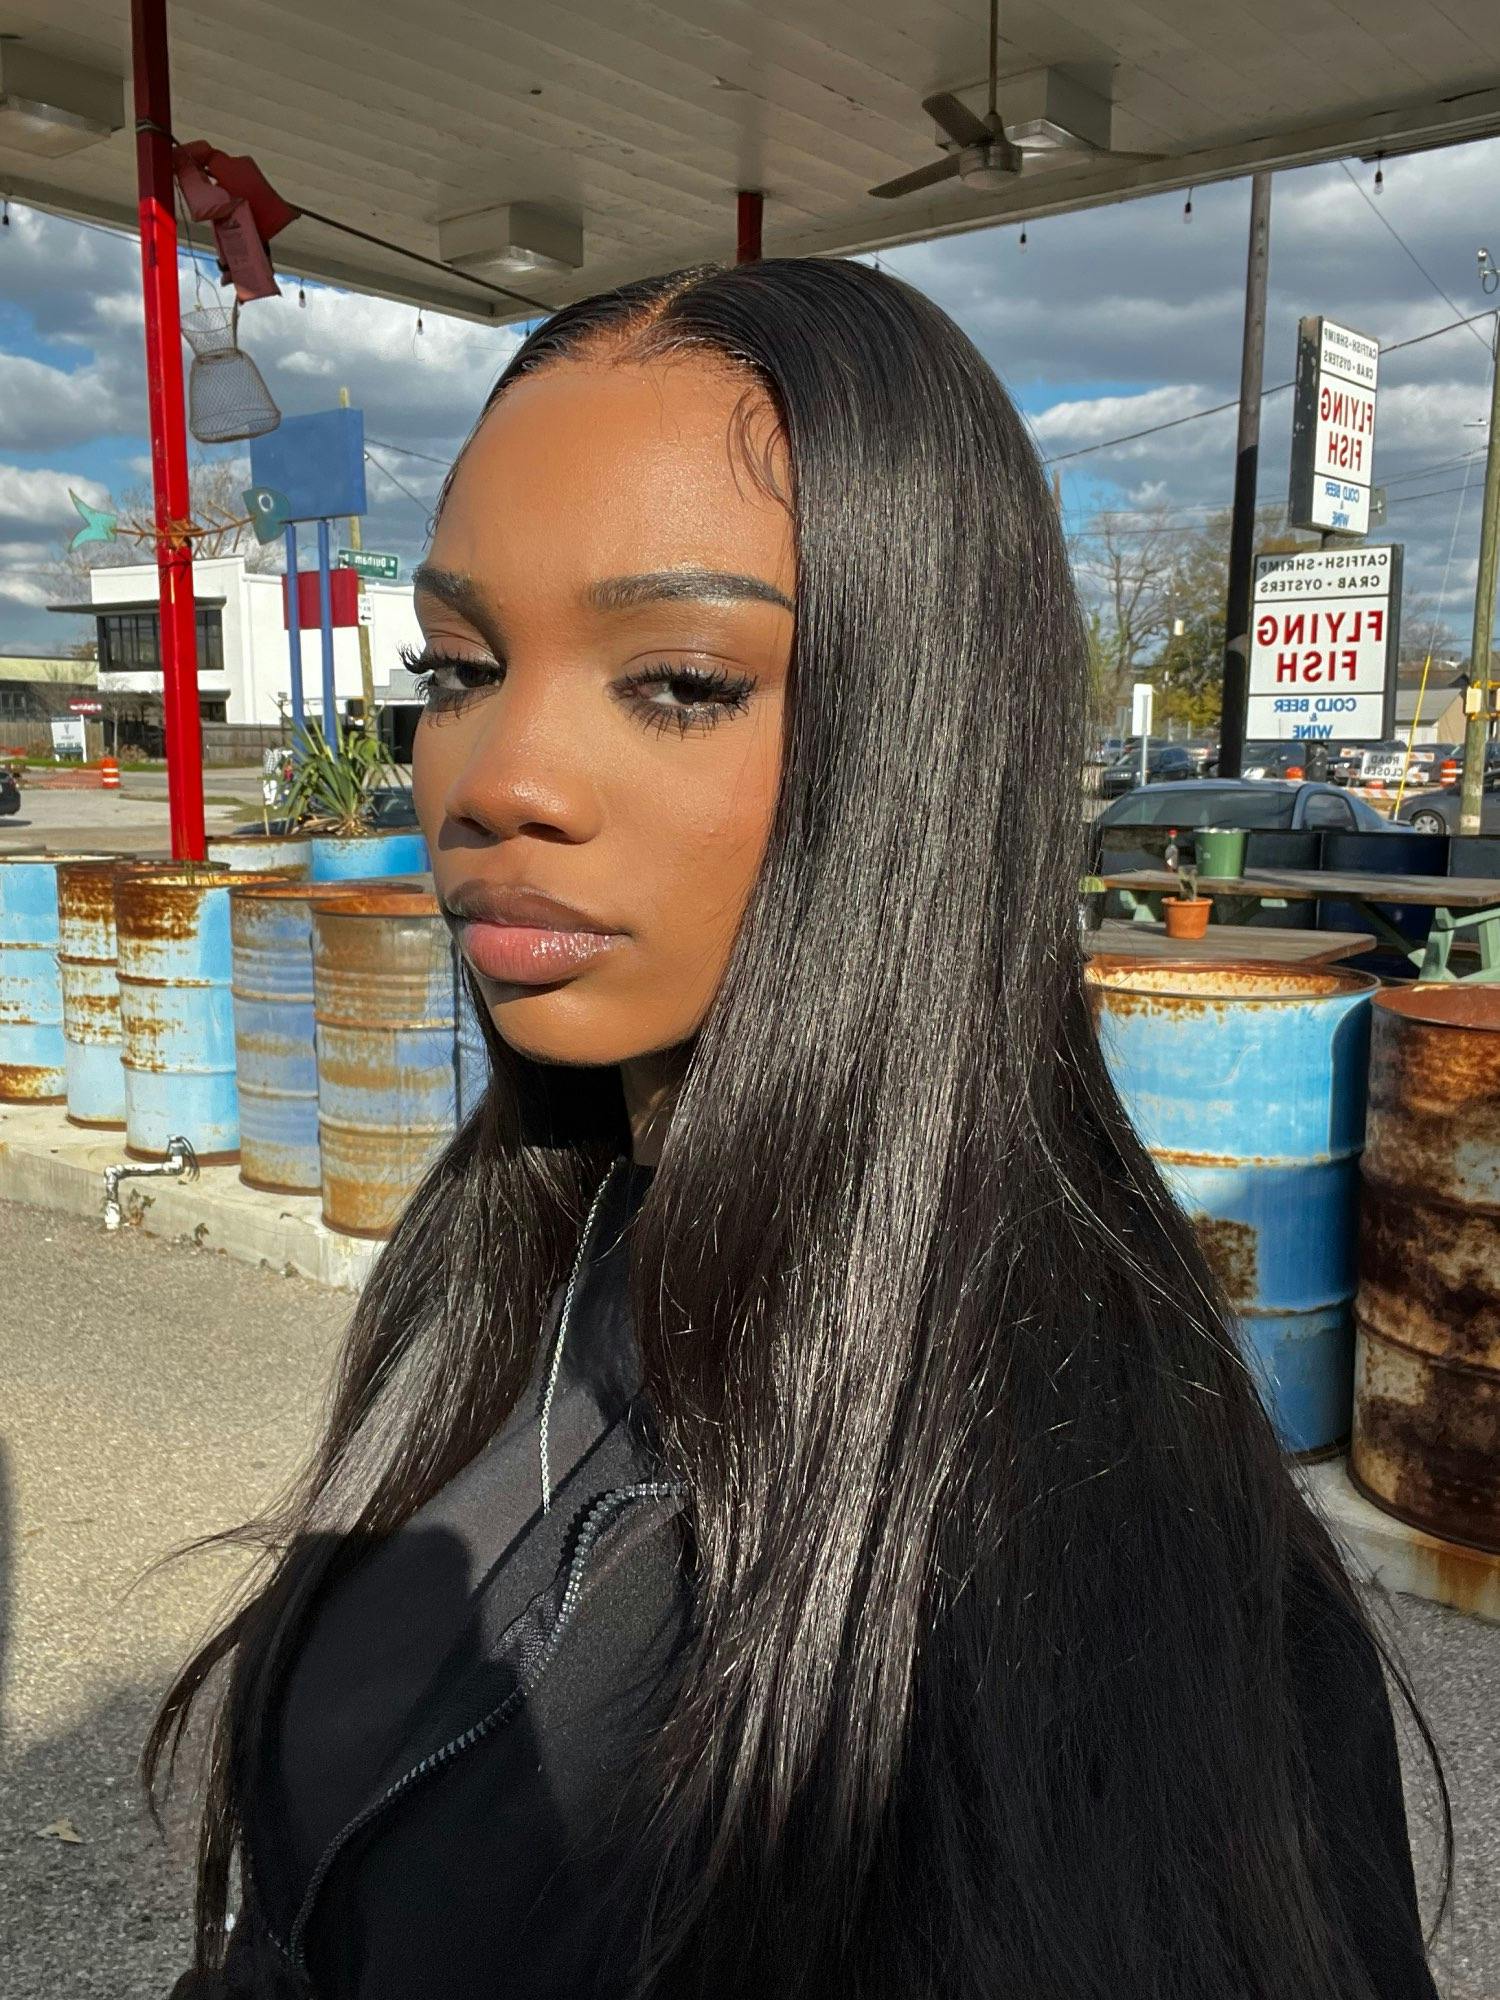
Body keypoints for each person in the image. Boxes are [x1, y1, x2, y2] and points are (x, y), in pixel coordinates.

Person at [151, 259, 1445, 2000]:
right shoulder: (530, 1254)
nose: (499, 777)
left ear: (925, 738)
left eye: (682, 681)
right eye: (458, 665)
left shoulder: (1083, 1552)